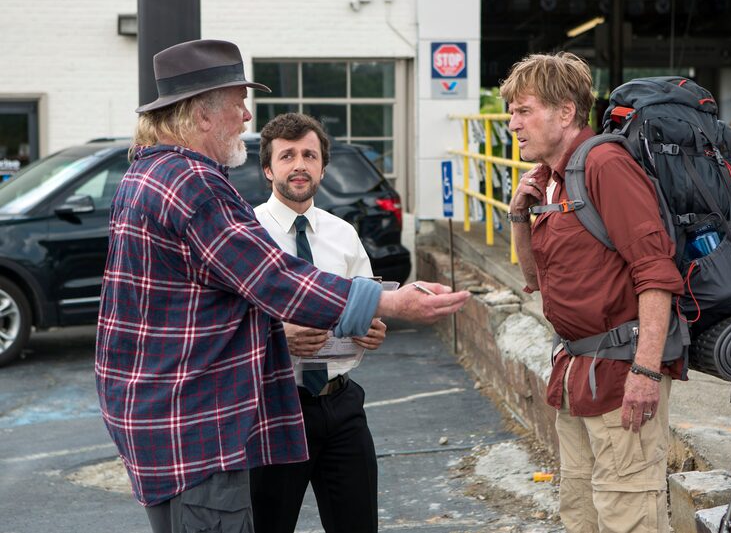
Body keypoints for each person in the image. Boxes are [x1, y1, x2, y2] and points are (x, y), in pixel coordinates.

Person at [94, 39, 469, 533]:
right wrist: (391, 301)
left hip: (162, 419)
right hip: (197, 427)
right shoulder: (194, 184)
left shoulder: (146, 175)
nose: (246, 117)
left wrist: (366, 317)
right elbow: (276, 280)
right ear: (203, 116)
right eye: (236, 104)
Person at [503, 52, 685, 533]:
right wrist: (521, 215)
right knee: (581, 513)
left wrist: (645, 372)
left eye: (524, 111)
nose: (512, 124)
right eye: (512, 113)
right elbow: (536, 281)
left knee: (629, 518)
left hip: (622, 378)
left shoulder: (605, 165)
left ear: (565, 112)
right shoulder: (552, 181)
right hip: (578, 378)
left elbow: (655, 272)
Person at [249, 113, 383, 532]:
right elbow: (227, 320)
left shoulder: (343, 233)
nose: (299, 165)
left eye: (309, 155)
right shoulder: (247, 231)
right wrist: (279, 335)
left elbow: (368, 302)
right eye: (286, 156)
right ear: (269, 169)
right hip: (273, 408)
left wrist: (373, 327)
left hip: (340, 403)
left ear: (323, 166)